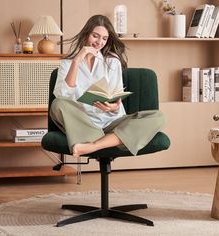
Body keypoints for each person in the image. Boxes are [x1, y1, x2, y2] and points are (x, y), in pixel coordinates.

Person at [50, 14, 166, 158]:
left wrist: (114, 106)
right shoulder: (67, 64)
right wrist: (76, 61)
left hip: (112, 123)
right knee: (58, 104)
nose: (99, 42)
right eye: (95, 36)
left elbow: (115, 95)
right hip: (83, 122)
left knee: (159, 117)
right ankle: (110, 140)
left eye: (104, 38)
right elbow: (63, 95)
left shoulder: (112, 61)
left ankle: (93, 145)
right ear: (86, 34)